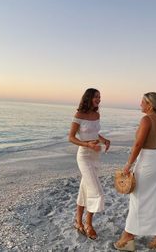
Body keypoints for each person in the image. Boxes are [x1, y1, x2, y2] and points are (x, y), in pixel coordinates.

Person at [114, 92, 156, 252]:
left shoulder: (146, 119)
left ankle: (127, 238)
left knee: (137, 199)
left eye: (142, 102)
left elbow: (138, 145)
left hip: (146, 162)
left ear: (149, 105)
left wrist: (128, 165)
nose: (140, 104)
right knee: (153, 199)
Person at [69, 88, 110, 240]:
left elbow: (94, 133)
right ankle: (88, 224)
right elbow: (71, 138)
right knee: (96, 192)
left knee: (84, 190)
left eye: (100, 97)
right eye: (96, 97)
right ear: (88, 98)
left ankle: (78, 221)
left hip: (95, 156)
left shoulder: (97, 115)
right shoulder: (79, 115)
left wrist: (103, 139)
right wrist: (88, 145)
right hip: (84, 156)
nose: (99, 99)